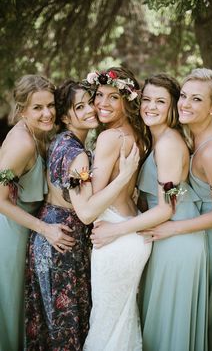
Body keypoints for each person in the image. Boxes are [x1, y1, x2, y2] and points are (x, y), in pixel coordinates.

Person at [91, 73, 208, 351]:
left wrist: (115, 230)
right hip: (162, 238)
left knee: (169, 328)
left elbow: (167, 208)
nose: (150, 107)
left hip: (177, 242)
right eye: (146, 100)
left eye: (160, 102)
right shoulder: (156, 138)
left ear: (172, 108)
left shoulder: (167, 143)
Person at [25, 79, 140, 350]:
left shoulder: (61, 142)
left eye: (91, 101)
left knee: (51, 327)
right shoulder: (76, 154)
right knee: (66, 330)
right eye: (81, 106)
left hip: (52, 237)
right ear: (65, 116)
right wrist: (123, 177)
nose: (92, 109)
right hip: (61, 243)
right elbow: (87, 213)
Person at [143, 68, 212, 351]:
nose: (184, 104)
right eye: (183, 96)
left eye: (196, 99)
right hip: (201, 224)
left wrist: (173, 227)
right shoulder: (191, 129)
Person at [0, 75, 74, 351]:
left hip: (24, 230)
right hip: (10, 234)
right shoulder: (23, 144)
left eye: (51, 105)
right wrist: (46, 229)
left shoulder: (37, 133)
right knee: (10, 309)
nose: (47, 113)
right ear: (22, 110)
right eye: (38, 108)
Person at [81, 67, 151, 351]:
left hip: (114, 238)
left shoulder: (110, 138)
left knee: (106, 325)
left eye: (113, 98)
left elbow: (91, 205)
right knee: (120, 323)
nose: (102, 104)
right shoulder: (136, 133)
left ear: (127, 102)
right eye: (99, 95)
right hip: (129, 231)